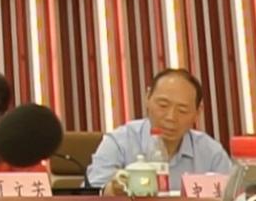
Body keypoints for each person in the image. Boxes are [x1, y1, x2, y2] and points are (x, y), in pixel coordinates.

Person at [88, 69, 232, 194]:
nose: (171, 117)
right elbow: (92, 193)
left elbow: (233, 194)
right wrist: (112, 190)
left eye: (182, 110)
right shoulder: (119, 142)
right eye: (163, 105)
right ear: (147, 98)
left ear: (197, 112)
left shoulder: (211, 153)